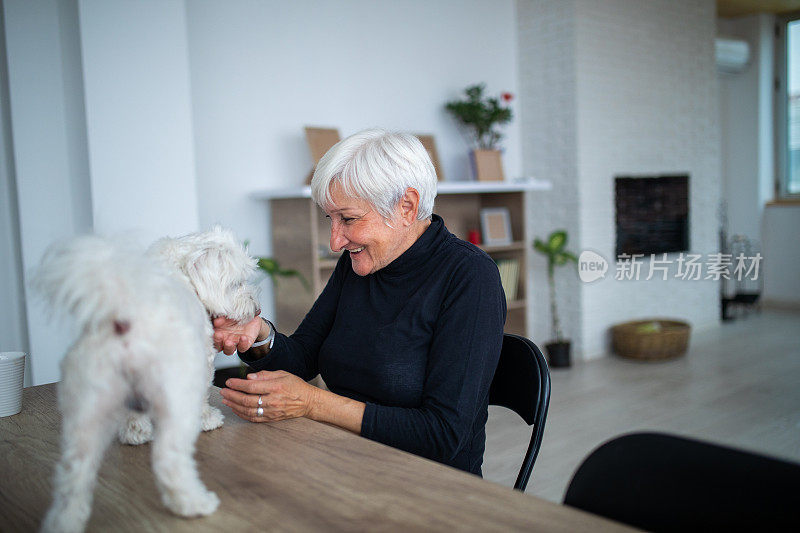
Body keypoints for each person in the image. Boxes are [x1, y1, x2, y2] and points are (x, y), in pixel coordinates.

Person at [215, 129, 506, 475]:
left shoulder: (470, 277)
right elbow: (304, 357)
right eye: (331, 219)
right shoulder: (357, 265)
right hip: (344, 461)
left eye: (348, 219)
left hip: (429, 486)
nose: (335, 241)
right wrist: (258, 335)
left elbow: (443, 434)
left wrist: (312, 402)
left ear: (406, 207)